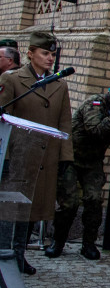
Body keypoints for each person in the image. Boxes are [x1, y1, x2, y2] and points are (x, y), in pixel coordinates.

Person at [45, 81, 110, 260]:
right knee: (69, 203)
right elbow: (96, 131)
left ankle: (88, 244)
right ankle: (57, 242)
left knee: (94, 200)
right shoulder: (95, 103)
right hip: (71, 158)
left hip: (93, 162)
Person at [0, 31, 73, 275]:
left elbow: (65, 123)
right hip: (19, 156)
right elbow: (4, 118)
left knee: (31, 211)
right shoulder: (12, 80)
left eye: (53, 54)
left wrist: (65, 157)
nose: (50, 58)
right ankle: (6, 255)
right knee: (12, 210)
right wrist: (6, 156)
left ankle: (19, 255)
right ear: (30, 54)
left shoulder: (59, 84)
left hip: (46, 159)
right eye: (45, 53)